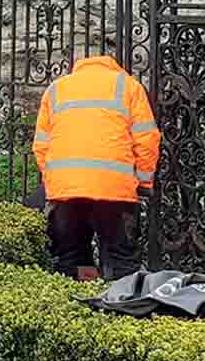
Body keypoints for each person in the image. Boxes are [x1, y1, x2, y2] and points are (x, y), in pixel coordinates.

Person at [33, 41, 160, 281]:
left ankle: (80, 297)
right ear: (113, 66)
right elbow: (147, 141)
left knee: (72, 257)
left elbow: (41, 144)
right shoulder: (129, 87)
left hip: (66, 191)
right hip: (114, 190)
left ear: (79, 66)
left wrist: (55, 180)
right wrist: (144, 183)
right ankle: (120, 302)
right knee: (120, 256)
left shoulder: (57, 88)